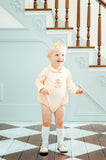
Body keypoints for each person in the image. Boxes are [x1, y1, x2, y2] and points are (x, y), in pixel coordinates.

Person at [35, 43, 85, 154]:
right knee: (46, 121)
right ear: (49, 57)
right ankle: (44, 143)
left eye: (63, 55)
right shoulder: (46, 70)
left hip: (60, 101)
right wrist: (42, 88)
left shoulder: (66, 72)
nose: (60, 57)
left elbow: (70, 84)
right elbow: (38, 80)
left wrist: (76, 90)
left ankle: (60, 143)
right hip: (46, 101)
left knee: (60, 122)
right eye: (57, 55)